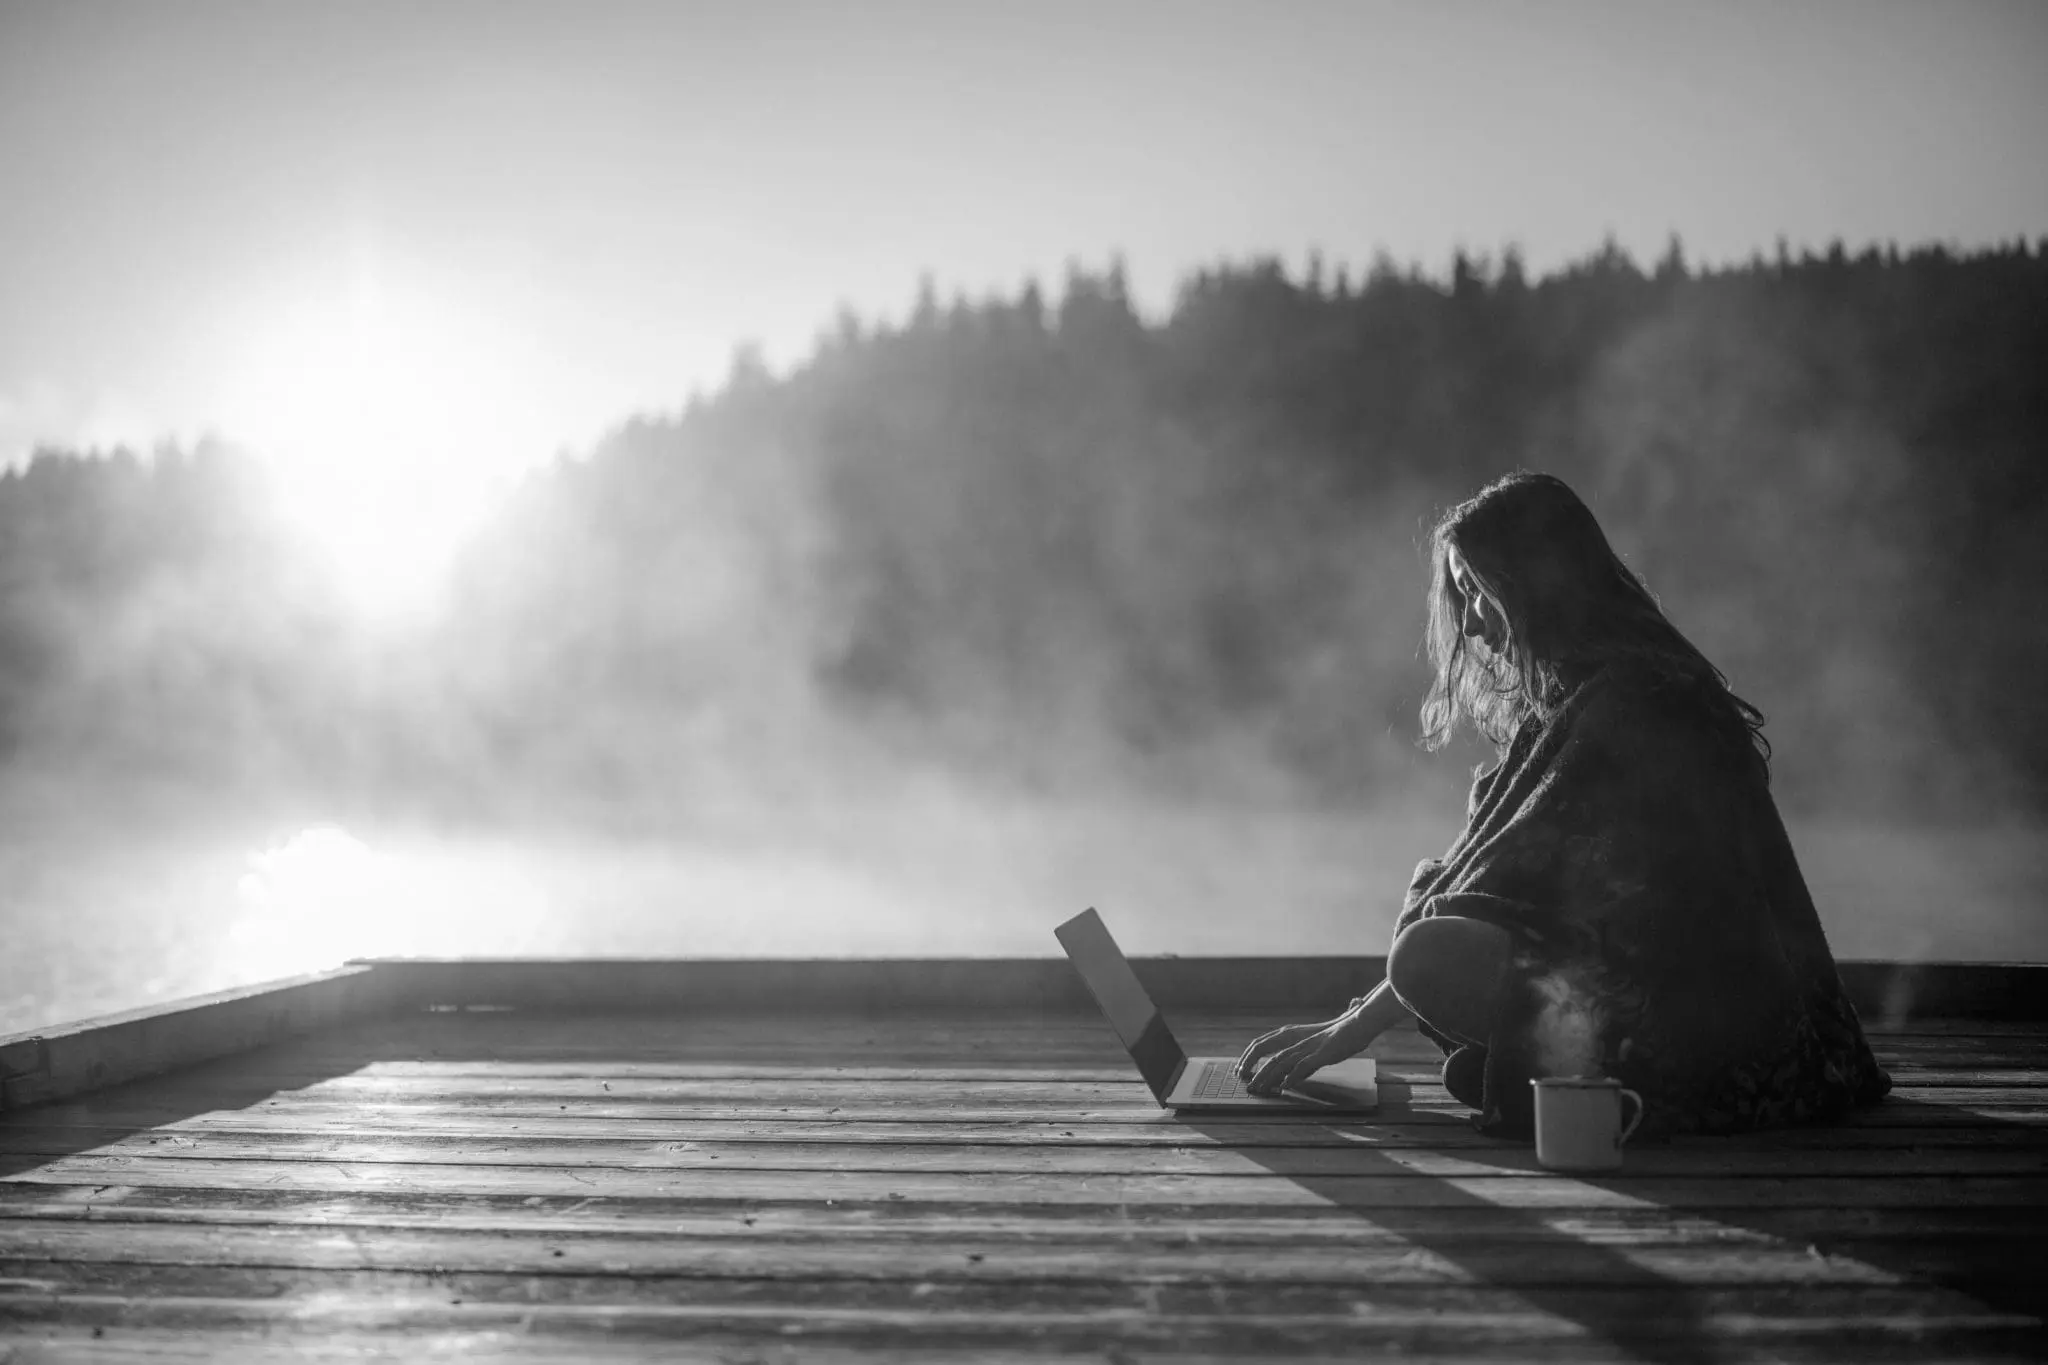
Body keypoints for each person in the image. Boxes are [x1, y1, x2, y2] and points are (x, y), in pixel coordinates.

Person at [1236, 471, 1891, 1138]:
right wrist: (1349, 1021)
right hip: (1653, 994)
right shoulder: (1575, 699)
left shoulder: (1637, 704)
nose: (1470, 623)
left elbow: (1513, 894)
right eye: (1459, 595)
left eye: (1477, 592)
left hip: (1723, 1033)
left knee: (1426, 955)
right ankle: (1543, 1072)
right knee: (1432, 936)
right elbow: (1490, 882)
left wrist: (1357, 1024)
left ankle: (1609, 1086)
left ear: (1536, 584)